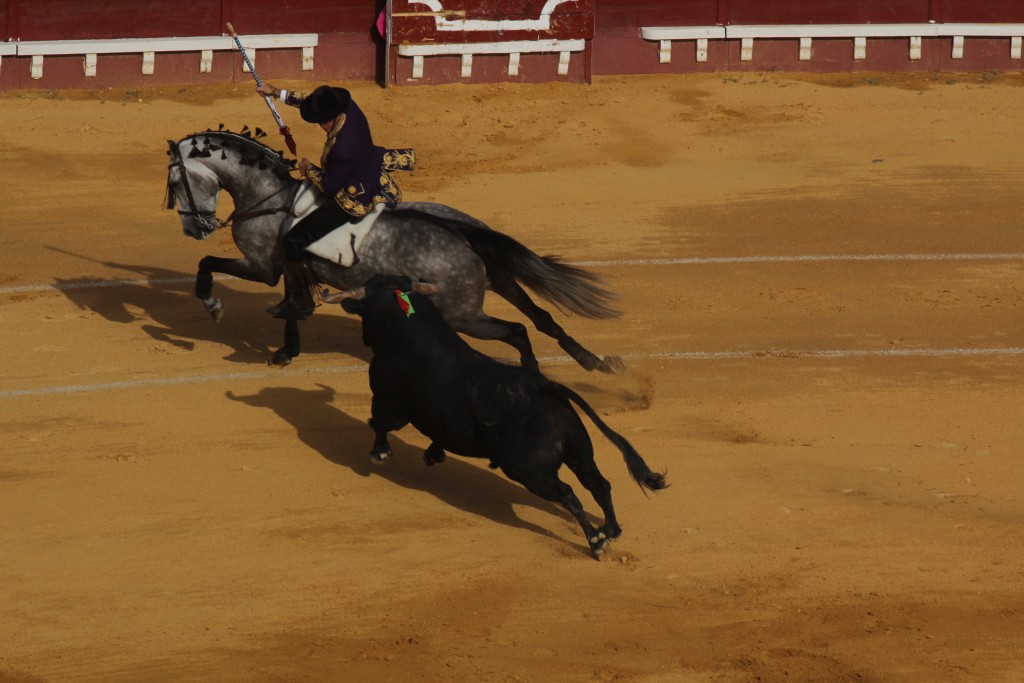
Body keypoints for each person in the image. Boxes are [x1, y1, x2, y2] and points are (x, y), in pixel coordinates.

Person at [255, 82, 415, 319]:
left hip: (355, 197)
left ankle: (302, 299)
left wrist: (308, 169)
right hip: (371, 168)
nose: (321, 126)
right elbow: (312, 103)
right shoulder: (349, 107)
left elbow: (329, 186)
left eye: (323, 121)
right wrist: (277, 93)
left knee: (293, 240)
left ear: (334, 116)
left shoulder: (343, 147)